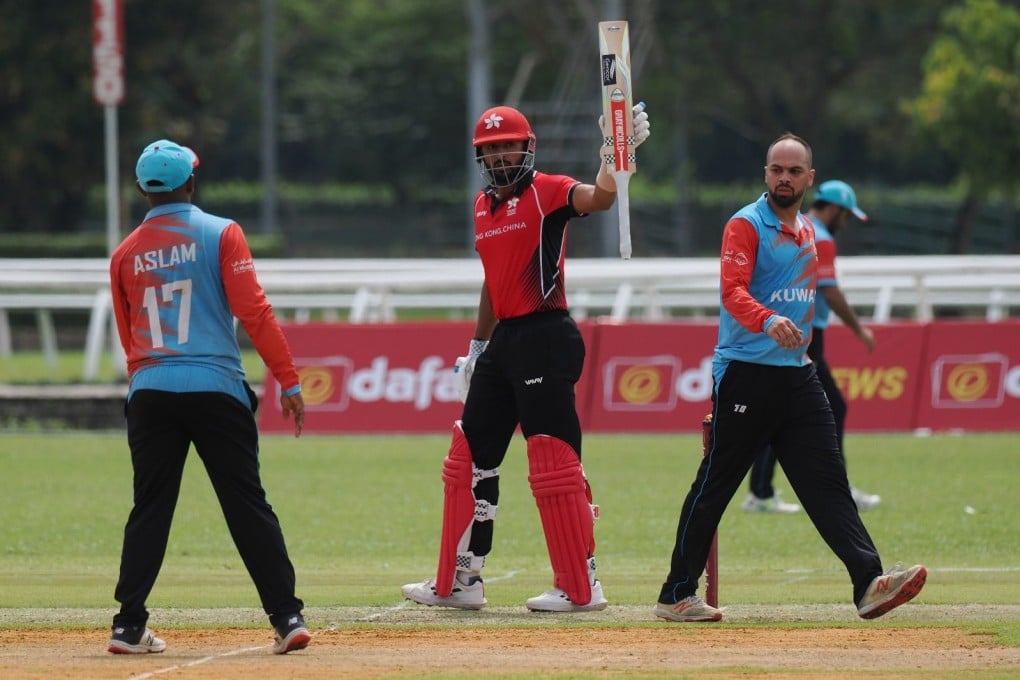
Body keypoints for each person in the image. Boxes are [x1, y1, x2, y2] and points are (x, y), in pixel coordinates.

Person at [654, 133, 926, 623]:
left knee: (828, 482)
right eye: (776, 169)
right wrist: (767, 320)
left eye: (793, 171)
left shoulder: (807, 233)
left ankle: (869, 582)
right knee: (715, 485)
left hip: (798, 377)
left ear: (809, 179)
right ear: (766, 174)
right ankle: (676, 593)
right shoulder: (745, 224)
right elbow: (731, 290)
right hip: (745, 374)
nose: (784, 177)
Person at [401, 103, 650, 612]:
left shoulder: (548, 192)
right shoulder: (481, 207)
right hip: (504, 343)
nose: (498, 155)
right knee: (470, 458)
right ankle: (461, 580)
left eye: (506, 145)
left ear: (526, 147)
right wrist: (476, 347)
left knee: (554, 465)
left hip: (547, 335)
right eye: (489, 149)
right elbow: (494, 284)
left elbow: (600, 198)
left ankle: (581, 584)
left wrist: (615, 155)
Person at [107, 139, 311, 654]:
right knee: (246, 504)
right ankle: (287, 619)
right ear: (191, 182)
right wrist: (287, 380)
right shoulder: (222, 233)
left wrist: (144, 391)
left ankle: (127, 626)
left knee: (150, 507)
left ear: (139, 189)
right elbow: (255, 313)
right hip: (216, 387)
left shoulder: (124, 252)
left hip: (151, 388)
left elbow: (128, 335)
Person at [741, 179, 881, 514]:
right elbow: (830, 292)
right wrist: (860, 330)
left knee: (790, 412)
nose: (845, 222)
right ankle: (832, 488)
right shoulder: (822, 238)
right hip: (806, 336)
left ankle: (762, 491)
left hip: (784, 329)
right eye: (846, 215)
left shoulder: (794, 227)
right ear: (834, 209)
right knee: (826, 409)